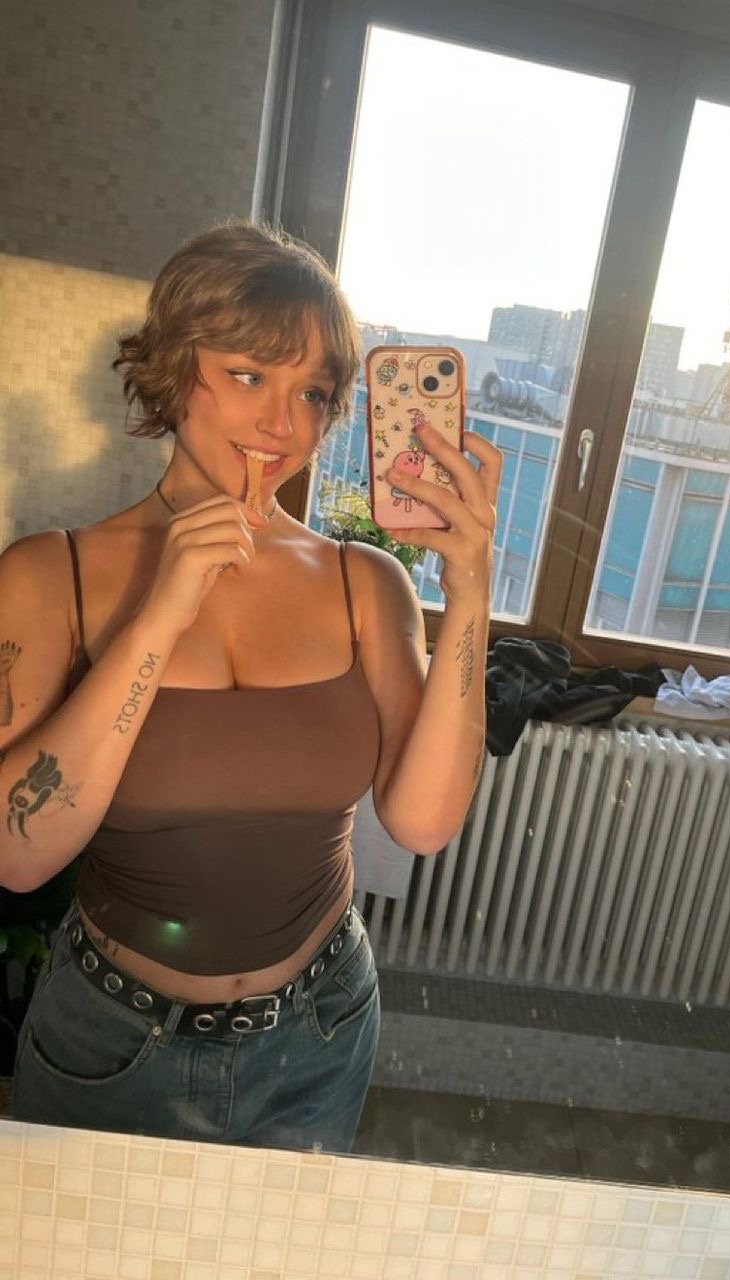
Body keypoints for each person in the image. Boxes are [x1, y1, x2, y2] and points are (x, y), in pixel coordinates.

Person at [1, 219, 501, 1152]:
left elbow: (425, 823)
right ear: (172, 364)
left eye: (311, 391)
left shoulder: (364, 582)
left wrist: (470, 594)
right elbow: (17, 855)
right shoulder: (47, 574)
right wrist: (159, 616)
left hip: (320, 1031)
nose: (283, 423)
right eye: (247, 375)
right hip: (111, 1039)